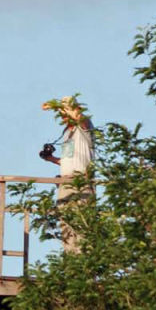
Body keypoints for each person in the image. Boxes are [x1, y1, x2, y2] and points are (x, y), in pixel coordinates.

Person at [40, 96, 94, 254]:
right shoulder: (67, 133)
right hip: (65, 182)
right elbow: (69, 160)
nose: (63, 116)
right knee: (66, 225)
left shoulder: (84, 127)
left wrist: (54, 106)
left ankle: (85, 263)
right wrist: (50, 159)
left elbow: (79, 118)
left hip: (81, 182)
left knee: (83, 225)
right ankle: (71, 262)